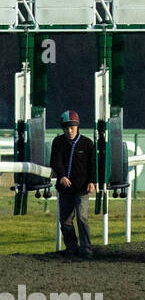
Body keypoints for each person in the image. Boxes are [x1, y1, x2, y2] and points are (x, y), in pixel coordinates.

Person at [49, 110, 96, 259]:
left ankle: (86, 249)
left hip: (82, 188)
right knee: (65, 220)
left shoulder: (87, 143)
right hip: (65, 189)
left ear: (77, 127)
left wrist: (92, 182)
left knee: (82, 217)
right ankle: (71, 248)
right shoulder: (57, 142)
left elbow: (92, 165)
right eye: (66, 128)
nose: (69, 131)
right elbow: (55, 161)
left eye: (72, 128)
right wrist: (61, 176)